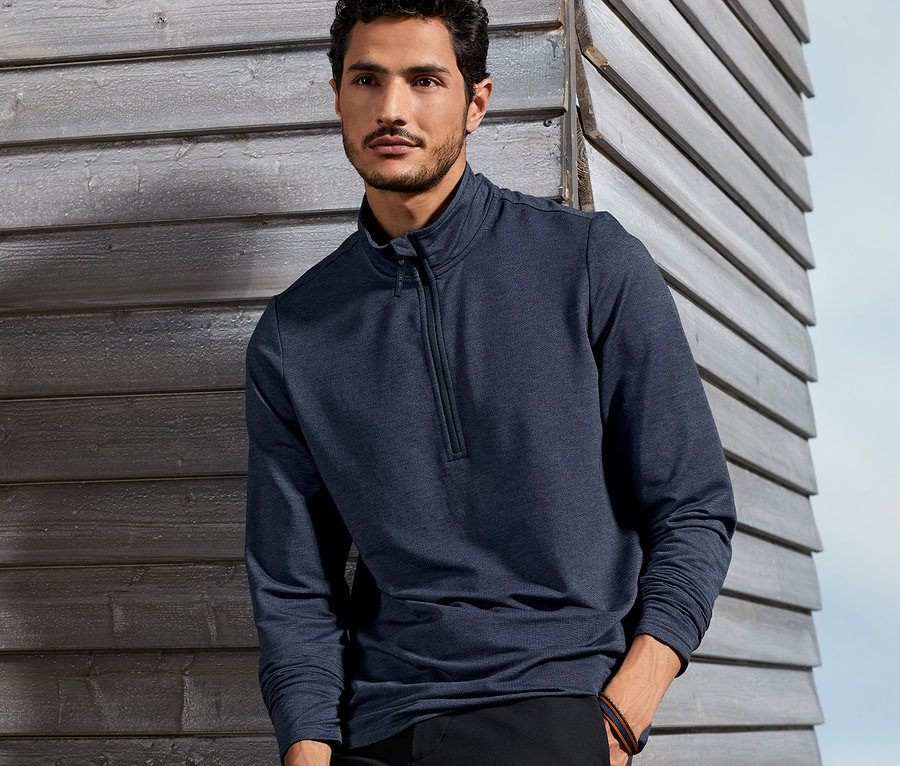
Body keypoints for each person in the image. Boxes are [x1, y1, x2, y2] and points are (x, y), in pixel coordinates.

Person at [244, 1, 737, 764]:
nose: (391, 108)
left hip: (557, 711)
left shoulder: (590, 264)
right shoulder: (293, 334)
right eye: (367, 80)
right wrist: (307, 747)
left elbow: (693, 507)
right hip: (381, 727)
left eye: (424, 80)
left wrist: (618, 720)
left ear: (477, 103)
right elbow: (292, 581)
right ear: (337, 97)